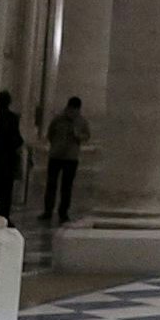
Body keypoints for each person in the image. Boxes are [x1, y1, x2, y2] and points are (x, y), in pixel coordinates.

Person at [43, 96, 92, 224]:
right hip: (56, 156)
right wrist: (55, 145)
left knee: (66, 187)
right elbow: (50, 133)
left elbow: (87, 136)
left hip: (71, 158)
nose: (72, 112)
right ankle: (48, 210)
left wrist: (78, 136)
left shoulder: (81, 122)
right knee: (51, 185)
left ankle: (63, 211)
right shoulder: (58, 119)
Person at [0, 91, 25, 218]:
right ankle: (4, 216)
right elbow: (16, 139)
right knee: (5, 193)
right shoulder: (11, 117)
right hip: (7, 161)